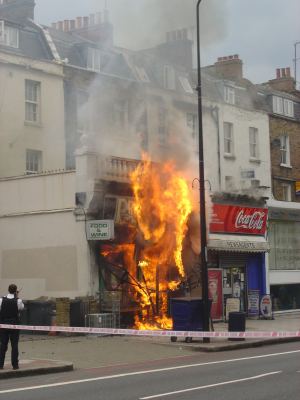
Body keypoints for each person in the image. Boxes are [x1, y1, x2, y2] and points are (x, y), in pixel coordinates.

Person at [0, 284, 24, 370]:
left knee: (3, 345)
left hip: (3, 324)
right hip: (14, 325)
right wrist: (17, 296)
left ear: (8, 290)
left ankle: (0, 365)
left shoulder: (1, 299)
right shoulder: (18, 301)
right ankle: (15, 365)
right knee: (14, 345)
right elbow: (21, 308)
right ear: (15, 291)